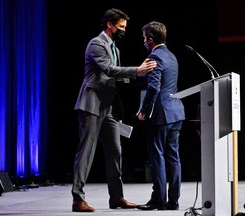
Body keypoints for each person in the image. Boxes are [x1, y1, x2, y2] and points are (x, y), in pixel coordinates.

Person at [71, 8, 157, 212]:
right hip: (91, 104)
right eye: (121, 27)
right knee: (86, 152)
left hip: (108, 107)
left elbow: (116, 77)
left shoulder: (115, 49)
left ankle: (117, 198)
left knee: (115, 151)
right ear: (110, 24)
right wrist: (136, 69)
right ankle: (78, 199)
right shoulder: (96, 44)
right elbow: (108, 69)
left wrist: (139, 76)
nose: (123, 31)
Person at [135, 21, 185, 211]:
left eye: (144, 38)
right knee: (173, 157)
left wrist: (144, 110)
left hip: (160, 115)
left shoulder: (154, 56)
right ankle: (173, 201)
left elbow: (154, 87)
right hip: (176, 113)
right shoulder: (172, 56)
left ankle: (159, 201)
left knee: (157, 156)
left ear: (150, 39)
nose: (144, 42)